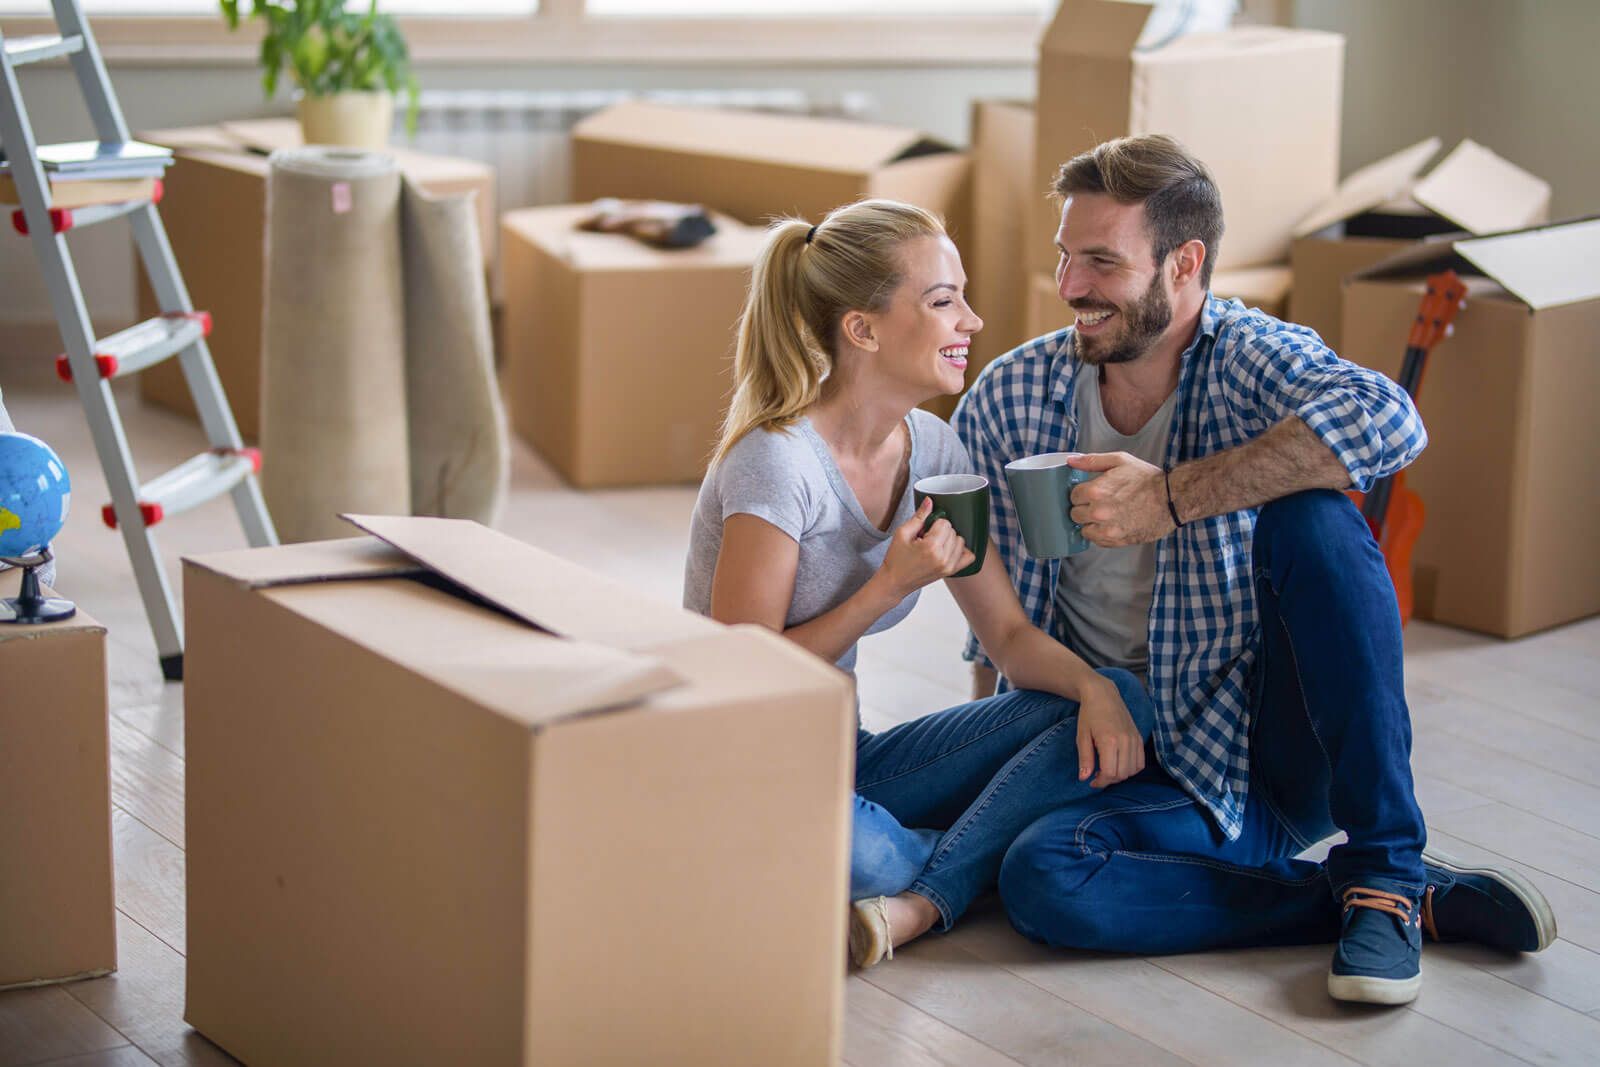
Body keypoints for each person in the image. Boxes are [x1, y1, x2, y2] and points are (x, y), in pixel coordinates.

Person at [952, 134, 1555, 1005]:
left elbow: (1390, 422)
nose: (1072, 286)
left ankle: (1385, 866)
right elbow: (994, 634)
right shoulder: (1012, 396)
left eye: (1101, 262)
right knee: (1041, 877)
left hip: (1255, 751)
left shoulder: (1246, 358)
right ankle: (1359, 901)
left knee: (1315, 516)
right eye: (1065, 258)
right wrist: (991, 787)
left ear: (1184, 263)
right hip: (1108, 750)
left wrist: (1174, 497)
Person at [682, 199, 1154, 969]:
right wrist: (881, 589)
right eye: (942, 301)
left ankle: (923, 894)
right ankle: (970, 863)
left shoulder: (935, 449)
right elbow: (747, 669)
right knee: (862, 854)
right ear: (861, 329)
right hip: (742, 771)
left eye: (962, 295)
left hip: (849, 758)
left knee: (1113, 700)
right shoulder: (777, 460)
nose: (971, 319)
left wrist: (1095, 688)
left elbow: (1006, 636)